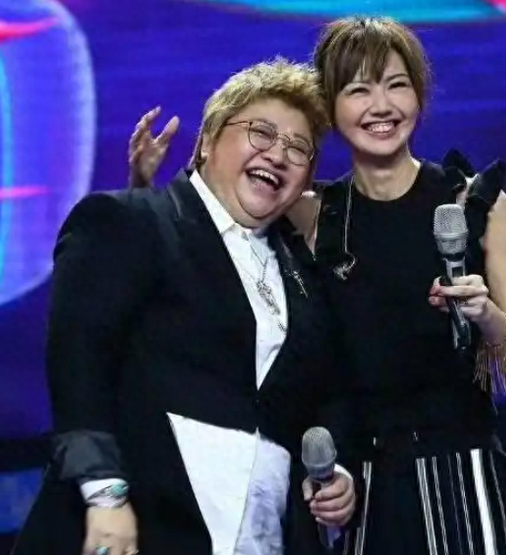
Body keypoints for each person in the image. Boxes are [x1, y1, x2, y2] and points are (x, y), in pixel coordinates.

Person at [129, 17, 506, 555]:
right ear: (329, 106)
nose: (381, 106)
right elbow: (203, 243)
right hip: (358, 490)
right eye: (358, 90)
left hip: (466, 481)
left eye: (397, 85)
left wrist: (487, 316)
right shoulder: (310, 215)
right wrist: (144, 188)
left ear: (419, 95)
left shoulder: (474, 205)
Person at [11, 58, 357, 555]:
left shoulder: (304, 277)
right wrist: (105, 495)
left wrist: (336, 472)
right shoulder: (131, 221)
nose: (279, 154)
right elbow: (79, 361)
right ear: (208, 140)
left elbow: (327, 393)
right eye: (261, 132)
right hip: (138, 527)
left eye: (298, 148)